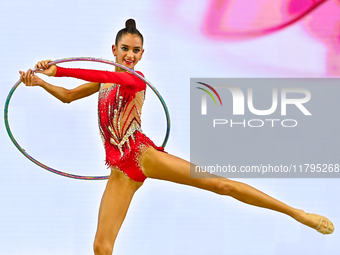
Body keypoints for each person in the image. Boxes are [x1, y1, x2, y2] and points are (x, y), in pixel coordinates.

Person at [19, 19, 334, 255]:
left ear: (142, 54)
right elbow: (69, 96)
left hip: (141, 154)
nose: (130, 55)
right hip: (119, 170)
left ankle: (298, 214)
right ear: (113, 50)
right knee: (101, 247)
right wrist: (41, 83)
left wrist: (59, 70)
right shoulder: (106, 81)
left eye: (136, 50)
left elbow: (102, 75)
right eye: (125, 49)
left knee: (219, 184)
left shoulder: (134, 78)